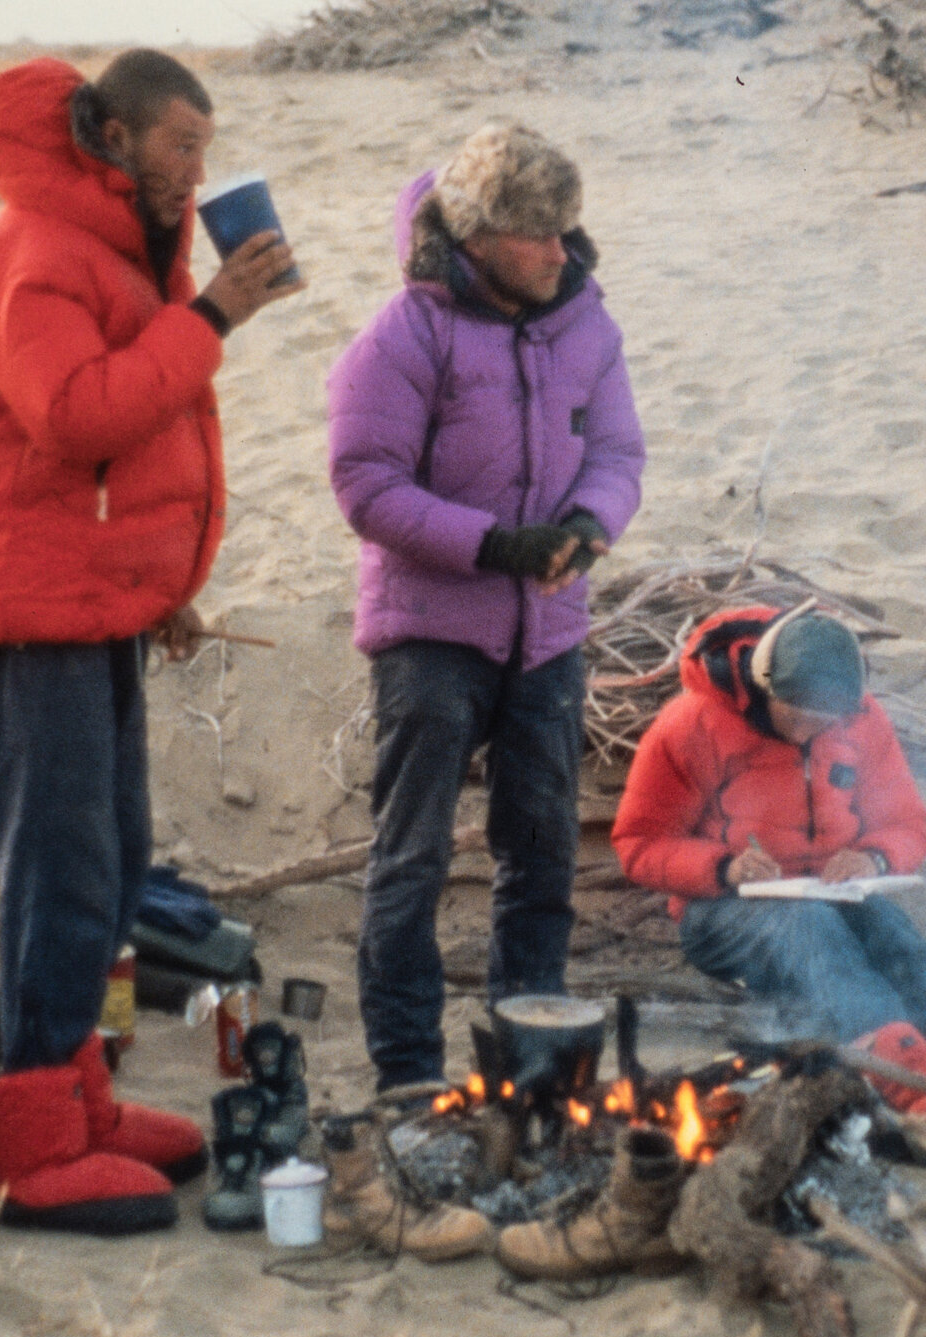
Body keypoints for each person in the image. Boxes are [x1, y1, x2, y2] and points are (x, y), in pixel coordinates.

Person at [0, 50, 300, 1234]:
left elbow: (119, 463)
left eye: (205, 147)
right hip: (35, 611)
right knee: (59, 862)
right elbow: (77, 416)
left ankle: (81, 1101)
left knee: (116, 851)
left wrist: (158, 588)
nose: (198, 173)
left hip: (91, 602)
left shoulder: (119, 254)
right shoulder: (28, 255)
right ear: (113, 141)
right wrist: (216, 315)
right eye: (180, 146)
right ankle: (34, 1146)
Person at [326, 124, 646, 1091]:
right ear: (475, 237)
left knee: (541, 854)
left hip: (547, 635)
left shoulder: (587, 323)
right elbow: (365, 485)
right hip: (430, 635)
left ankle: (528, 1064)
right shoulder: (403, 334)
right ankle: (410, 1076)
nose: (561, 251)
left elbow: (620, 454)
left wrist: (592, 524)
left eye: (566, 230)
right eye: (537, 235)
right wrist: (491, 545)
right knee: (410, 861)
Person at [610, 608, 926, 1118]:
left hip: (828, 896)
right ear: (764, 684)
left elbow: (907, 823)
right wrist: (724, 868)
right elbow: (638, 843)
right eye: (795, 714)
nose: (807, 731)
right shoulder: (692, 724)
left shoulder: (861, 720)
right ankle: (912, 1083)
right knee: (805, 923)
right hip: (720, 917)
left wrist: (873, 858)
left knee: (891, 929)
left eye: (822, 720)